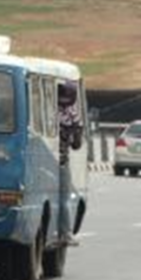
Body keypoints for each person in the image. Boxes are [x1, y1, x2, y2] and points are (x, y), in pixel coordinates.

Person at [57, 80, 84, 246]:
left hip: (43, 159)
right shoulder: (73, 115)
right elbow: (76, 144)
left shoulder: (46, 108)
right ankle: (66, 233)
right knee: (64, 199)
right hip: (61, 160)